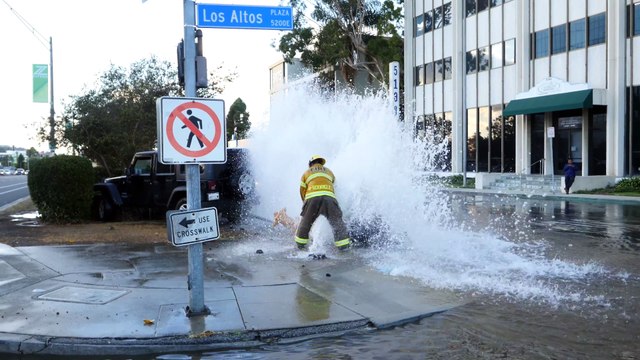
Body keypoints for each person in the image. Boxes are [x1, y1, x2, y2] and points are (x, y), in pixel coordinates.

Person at [294, 155, 351, 251]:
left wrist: (306, 204)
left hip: (312, 198)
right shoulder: (329, 171)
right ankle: (343, 246)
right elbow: (334, 185)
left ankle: (301, 245)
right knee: (337, 222)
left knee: (306, 222)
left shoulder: (306, 173)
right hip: (329, 198)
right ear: (321, 163)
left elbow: (302, 190)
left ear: (310, 163)